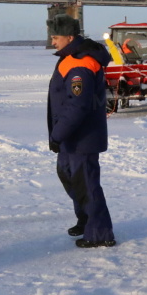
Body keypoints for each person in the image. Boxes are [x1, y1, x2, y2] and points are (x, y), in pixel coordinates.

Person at [47, 14, 116, 248]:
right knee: (69, 177)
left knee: (86, 183)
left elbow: (78, 104)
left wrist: (58, 134)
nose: (52, 42)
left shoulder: (82, 63)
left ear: (69, 37)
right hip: (70, 137)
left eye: (55, 37)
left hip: (82, 138)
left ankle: (99, 233)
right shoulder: (71, 57)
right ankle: (86, 219)